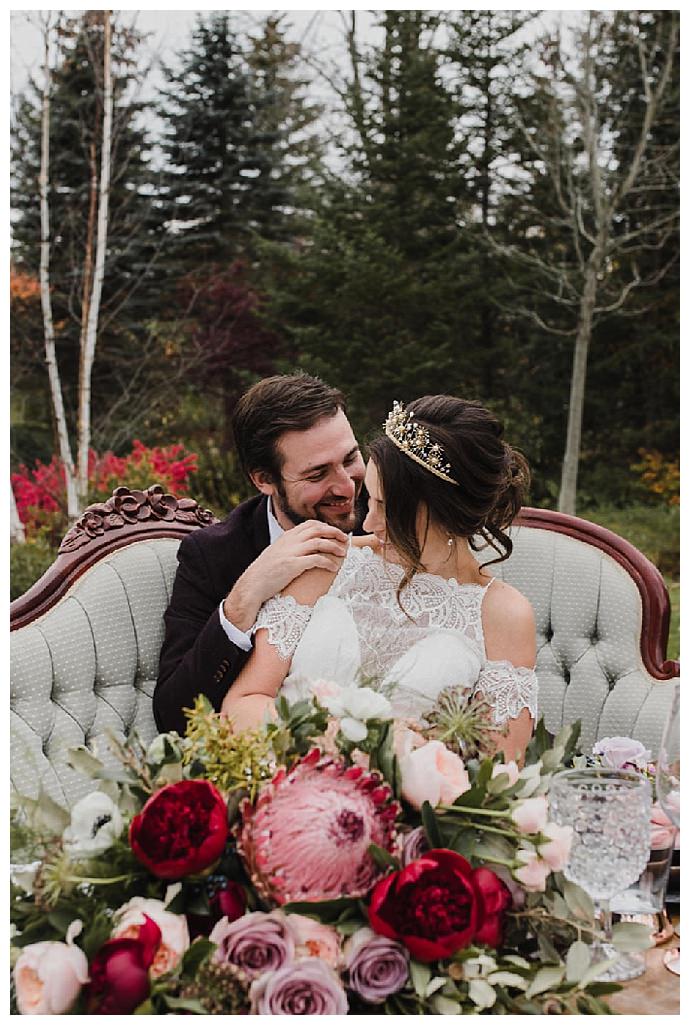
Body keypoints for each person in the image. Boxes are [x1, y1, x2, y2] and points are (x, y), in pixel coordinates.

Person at [221, 395, 537, 764]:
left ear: (441, 509)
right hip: (281, 782)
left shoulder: (504, 615)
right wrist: (331, 741)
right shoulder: (328, 564)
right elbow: (242, 703)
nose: (366, 523)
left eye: (384, 508)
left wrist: (394, 765)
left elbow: (496, 775)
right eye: (368, 500)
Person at [154, 373, 366, 735]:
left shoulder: (388, 522)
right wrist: (245, 596)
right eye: (317, 475)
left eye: (350, 459)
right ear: (264, 480)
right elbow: (175, 717)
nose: (347, 487)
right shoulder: (212, 556)